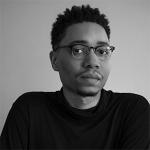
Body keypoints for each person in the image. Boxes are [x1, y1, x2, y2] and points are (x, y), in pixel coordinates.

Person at [0, 4, 149, 149]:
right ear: (54, 60)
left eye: (102, 51)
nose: (93, 62)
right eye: (78, 50)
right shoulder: (29, 110)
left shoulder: (133, 111)